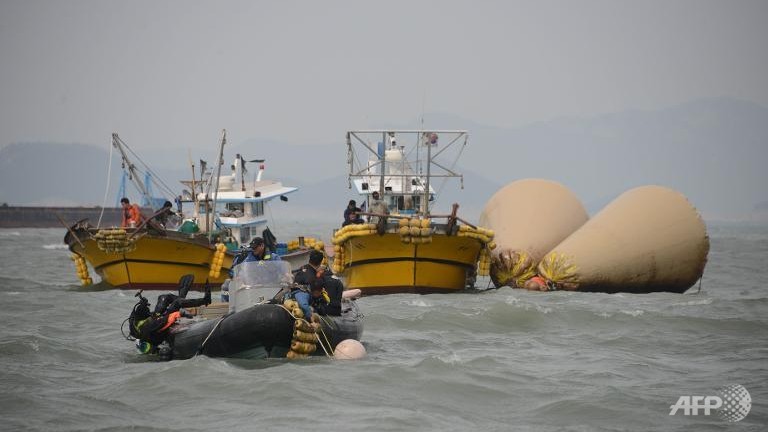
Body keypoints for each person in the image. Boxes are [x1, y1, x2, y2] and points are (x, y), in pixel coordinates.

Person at [296, 250, 343, 316]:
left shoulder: (301, 269)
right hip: (306, 303)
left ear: (310, 259)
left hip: (296, 299)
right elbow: (316, 295)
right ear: (320, 262)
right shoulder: (315, 278)